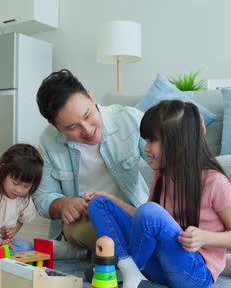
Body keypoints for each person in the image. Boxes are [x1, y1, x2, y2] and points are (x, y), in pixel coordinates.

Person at [85, 100, 231, 288]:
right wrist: (110, 199)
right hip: (161, 264)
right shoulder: (161, 176)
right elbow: (144, 220)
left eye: (152, 140)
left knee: (150, 211)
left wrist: (204, 238)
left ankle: (127, 270)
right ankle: (129, 270)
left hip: (193, 271)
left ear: (179, 143)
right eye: (146, 140)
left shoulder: (215, 182)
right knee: (98, 204)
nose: (146, 148)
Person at [33, 69, 149, 258]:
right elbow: (42, 197)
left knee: (148, 223)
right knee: (93, 232)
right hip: (86, 222)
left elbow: (168, 163)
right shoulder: (48, 141)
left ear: (90, 95)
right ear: (54, 125)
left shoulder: (129, 119)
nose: (87, 130)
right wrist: (63, 204)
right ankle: (130, 253)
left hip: (131, 213)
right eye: (71, 127)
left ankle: (98, 254)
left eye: (87, 115)